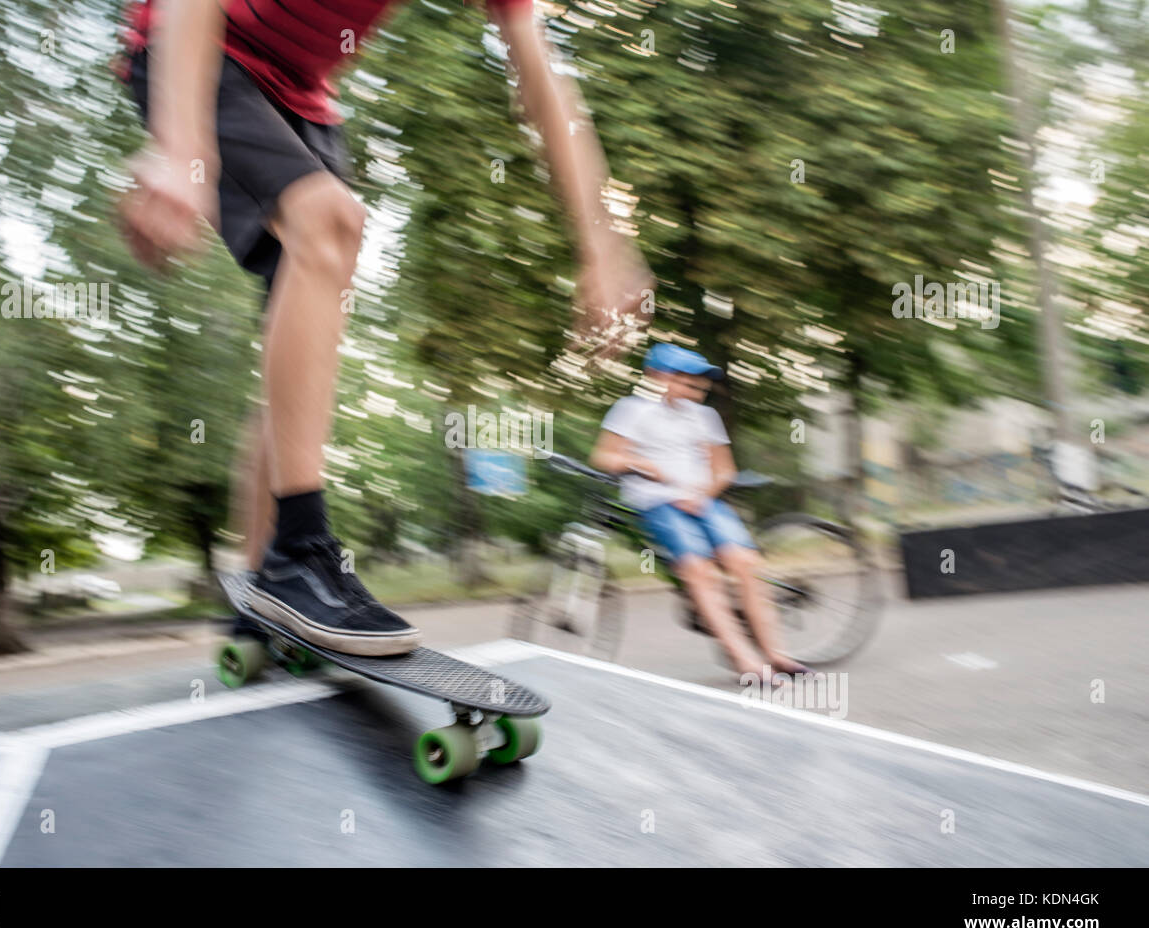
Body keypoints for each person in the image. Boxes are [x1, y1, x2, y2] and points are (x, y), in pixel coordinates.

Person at [115, 1, 653, 654]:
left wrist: (602, 243)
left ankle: (262, 602)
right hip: (197, 45)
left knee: (299, 361)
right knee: (332, 219)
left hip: (304, 99)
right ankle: (300, 555)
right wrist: (181, 145)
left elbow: (539, 73)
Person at [589, 343, 807, 680]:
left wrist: (701, 494)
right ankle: (746, 661)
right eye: (688, 381)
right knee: (699, 571)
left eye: (701, 383)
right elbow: (605, 458)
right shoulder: (631, 410)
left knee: (747, 563)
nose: (698, 389)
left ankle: (778, 655)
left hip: (703, 500)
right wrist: (642, 464)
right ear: (657, 377)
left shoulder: (706, 417)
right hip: (657, 502)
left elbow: (723, 471)